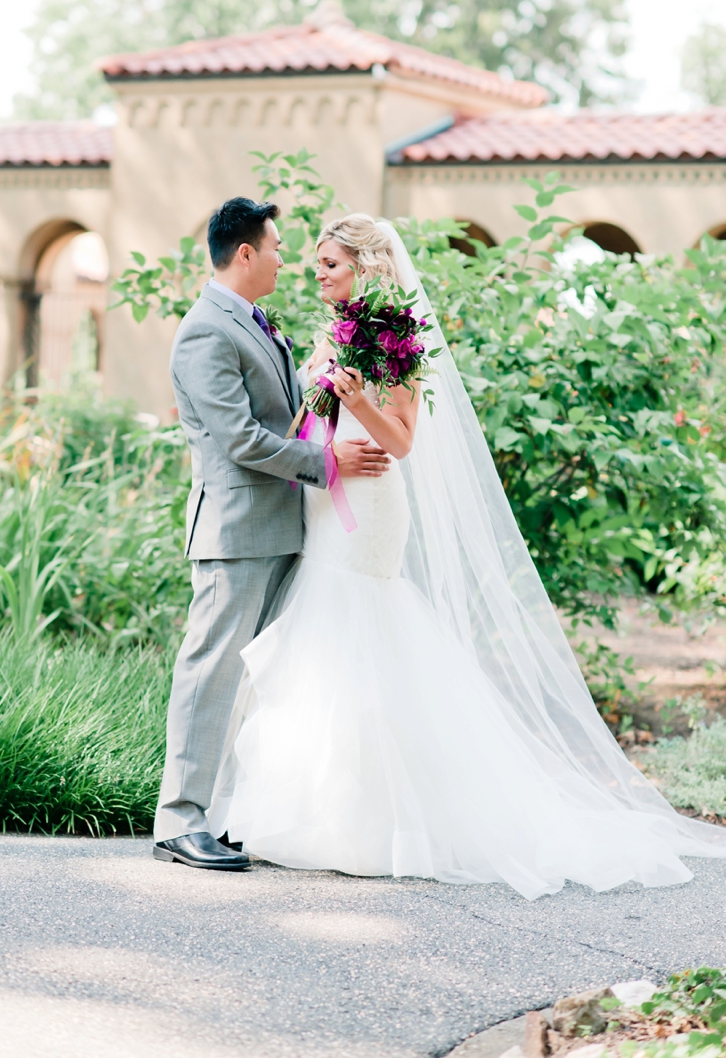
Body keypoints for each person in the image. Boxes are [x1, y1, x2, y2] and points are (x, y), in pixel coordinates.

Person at [207, 213, 726, 900]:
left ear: (364, 265)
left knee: (362, 637)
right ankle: (308, 808)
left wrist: (356, 398)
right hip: (330, 496)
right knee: (321, 645)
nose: (317, 272)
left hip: (370, 511)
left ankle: (380, 820)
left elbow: (401, 440)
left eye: (330, 263)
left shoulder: (393, 336)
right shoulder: (335, 332)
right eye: (315, 263)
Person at [153, 198, 391, 871]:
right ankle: (180, 818)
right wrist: (327, 463)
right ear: (246, 252)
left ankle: (233, 812)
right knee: (212, 669)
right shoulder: (206, 329)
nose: (288, 258)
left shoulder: (255, 321)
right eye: (280, 247)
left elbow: (289, 416)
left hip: (285, 526)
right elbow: (238, 440)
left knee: (265, 679)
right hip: (235, 530)